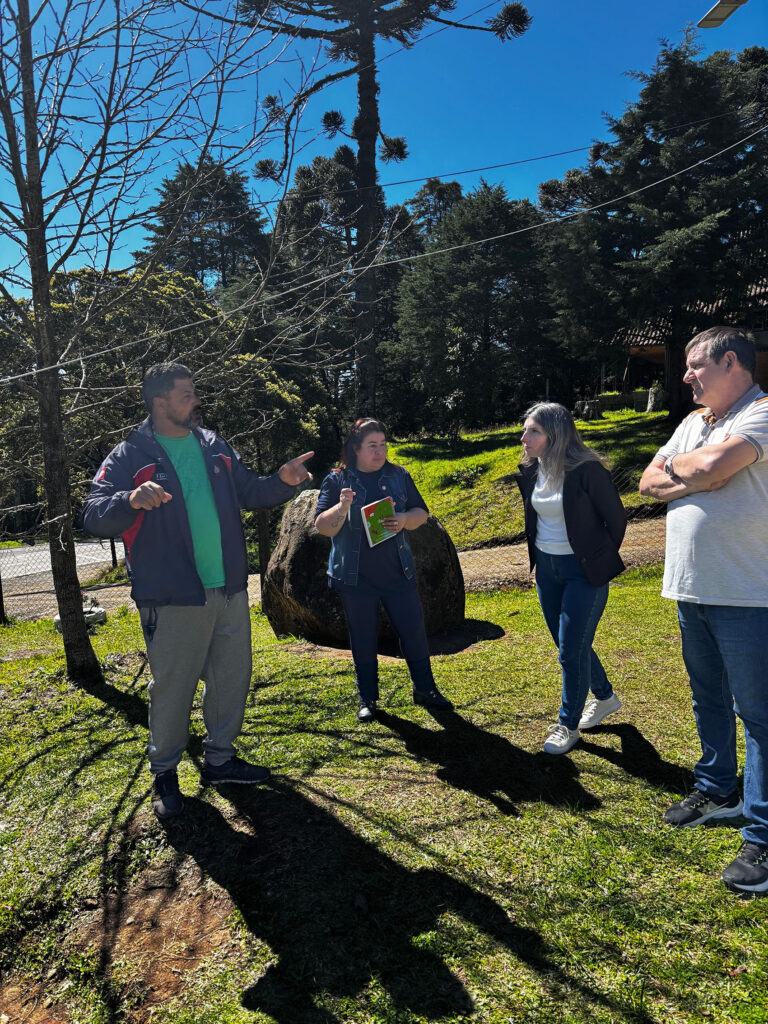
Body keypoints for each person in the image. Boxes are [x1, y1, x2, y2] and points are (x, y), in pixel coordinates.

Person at [82, 362, 313, 819]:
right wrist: (130, 499)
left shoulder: (212, 445)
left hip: (226, 588)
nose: (196, 400)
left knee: (232, 677)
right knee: (174, 687)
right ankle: (165, 772)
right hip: (171, 595)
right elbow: (92, 512)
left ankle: (220, 760)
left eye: (194, 392)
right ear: (159, 401)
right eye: (186, 394)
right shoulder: (129, 453)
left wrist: (281, 482)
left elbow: (250, 491)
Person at [639, 326, 768, 894]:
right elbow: (649, 480)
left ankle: (762, 834)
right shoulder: (694, 423)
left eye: (695, 366)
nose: (685, 376)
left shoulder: (762, 412)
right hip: (691, 589)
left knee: (760, 716)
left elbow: (715, 467)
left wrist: (696, 474)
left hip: (748, 592)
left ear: (731, 362)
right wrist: (701, 477)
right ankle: (718, 788)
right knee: (708, 697)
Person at [314, 418, 451, 722]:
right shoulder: (337, 480)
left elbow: (421, 513)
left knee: (414, 632)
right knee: (362, 637)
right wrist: (341, 508)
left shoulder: (398, 475)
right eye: (372, 446)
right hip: (355, 577)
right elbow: (322, 526)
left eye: (383, 444)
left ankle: (425, 689)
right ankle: (368, 699)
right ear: (356, 449)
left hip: (397, 571)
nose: (380, 451)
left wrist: (404, 519)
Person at [515, 402, 626, 755]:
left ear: (555, 434)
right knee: (571, 646)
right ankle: (605, 697)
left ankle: (567, 724)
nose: (524, 438)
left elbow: (616, 520)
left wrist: (596, 560)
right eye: (526, 430)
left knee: (569, 651)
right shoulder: (532, 469)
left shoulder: (587, 470)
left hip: (583, 572)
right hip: (547, 571)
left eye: (533, 431)